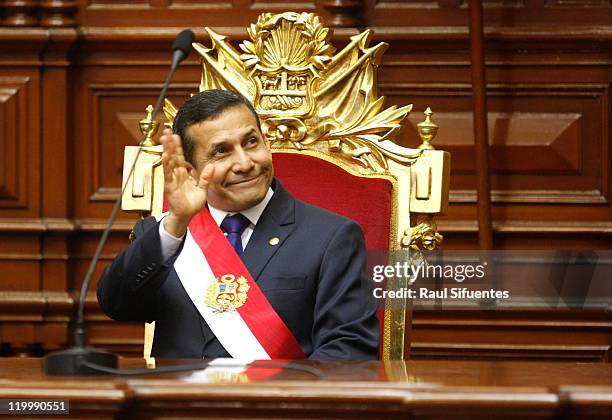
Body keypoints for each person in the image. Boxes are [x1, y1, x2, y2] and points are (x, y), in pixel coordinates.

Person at [97, 89, 379, 360]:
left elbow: (349, 352)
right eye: (221, 151)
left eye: (251, 142)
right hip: (179, 405)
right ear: (190, 170)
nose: (245, 163)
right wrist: (176, 223)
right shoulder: (164, 234)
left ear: (266, 142)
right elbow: (117, 306)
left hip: (279, 405)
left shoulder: (332, 237)